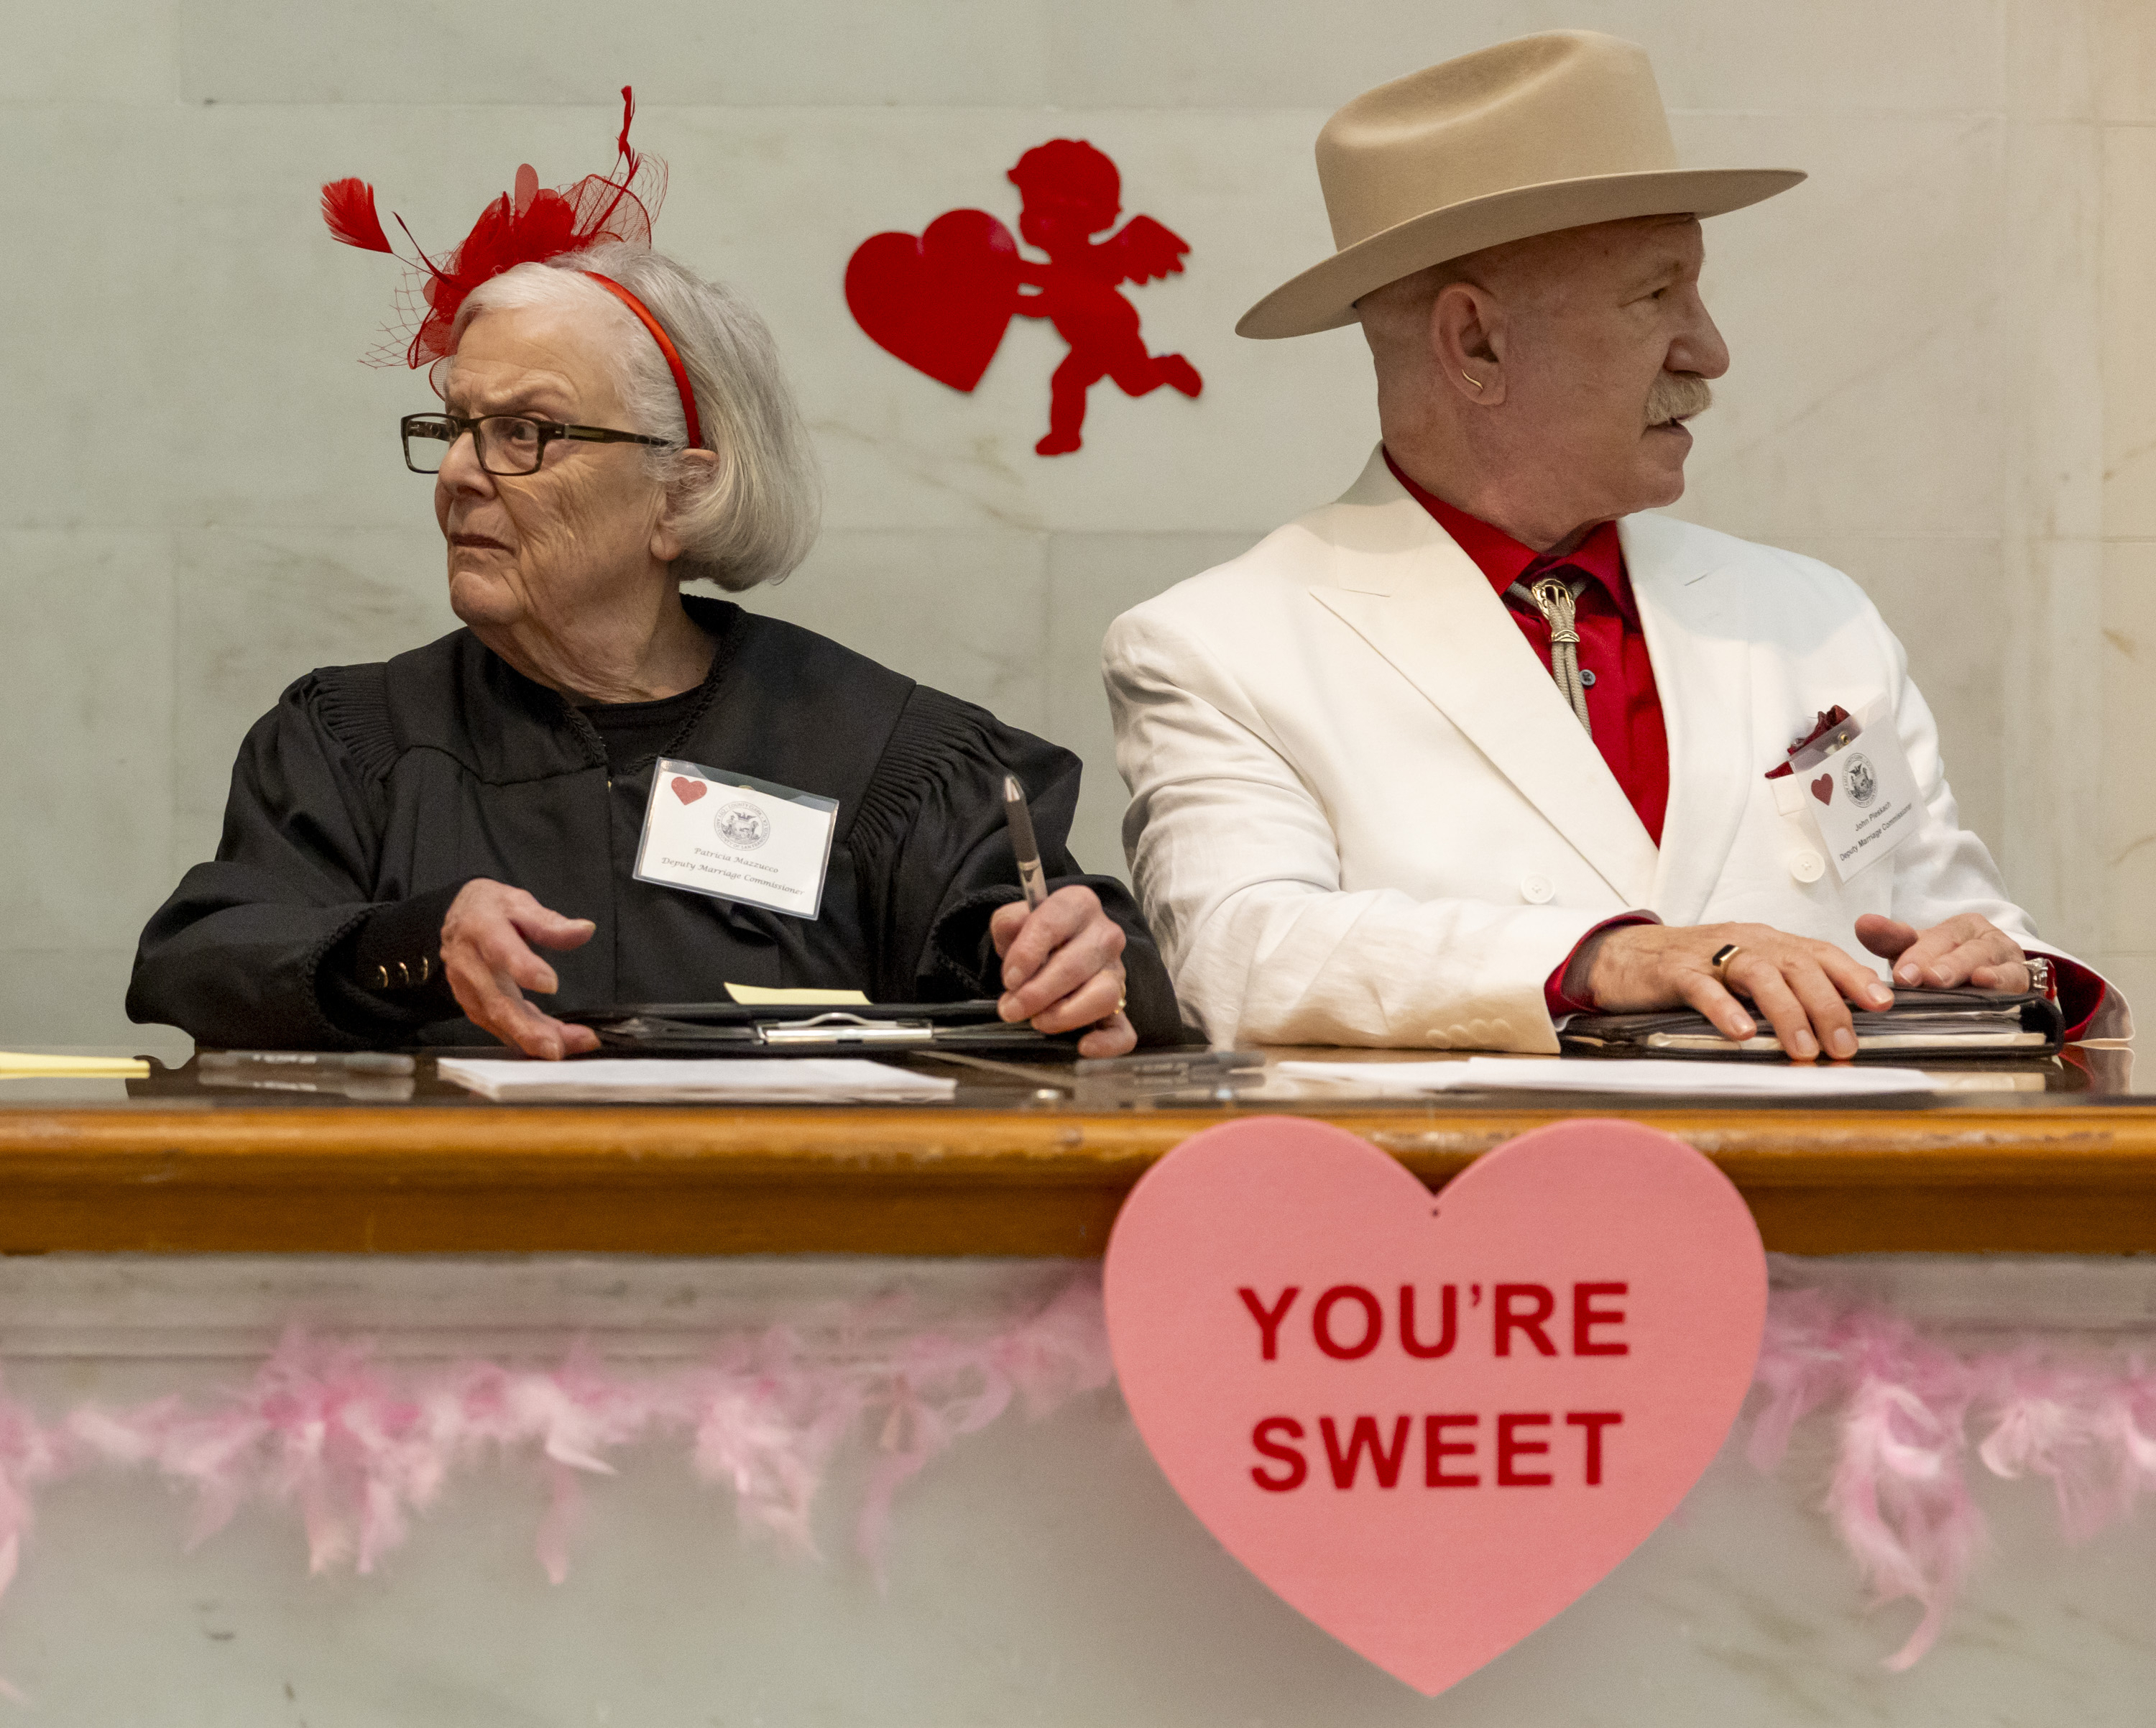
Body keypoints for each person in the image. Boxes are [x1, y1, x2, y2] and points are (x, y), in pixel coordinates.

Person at [1103, 31, 2125, 1057]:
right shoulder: (1219, 647)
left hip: (1813, 1209)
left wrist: (2004, 969)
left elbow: (1964, 920)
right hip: (1466, 1208)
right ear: (1476, 344)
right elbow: (1243, 954)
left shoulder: (1815, 620)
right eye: (1656, 294)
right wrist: (1601, 959)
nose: (1711, 350)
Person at [129, 101, 1174, 1059]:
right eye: (454, 428)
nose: (457, 475)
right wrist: (408, 944)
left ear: (679, 494)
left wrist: (1091, 962)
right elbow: (204, 962)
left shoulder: (884, 758)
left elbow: (1095, 969)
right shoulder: (354, 744)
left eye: (524, 433)